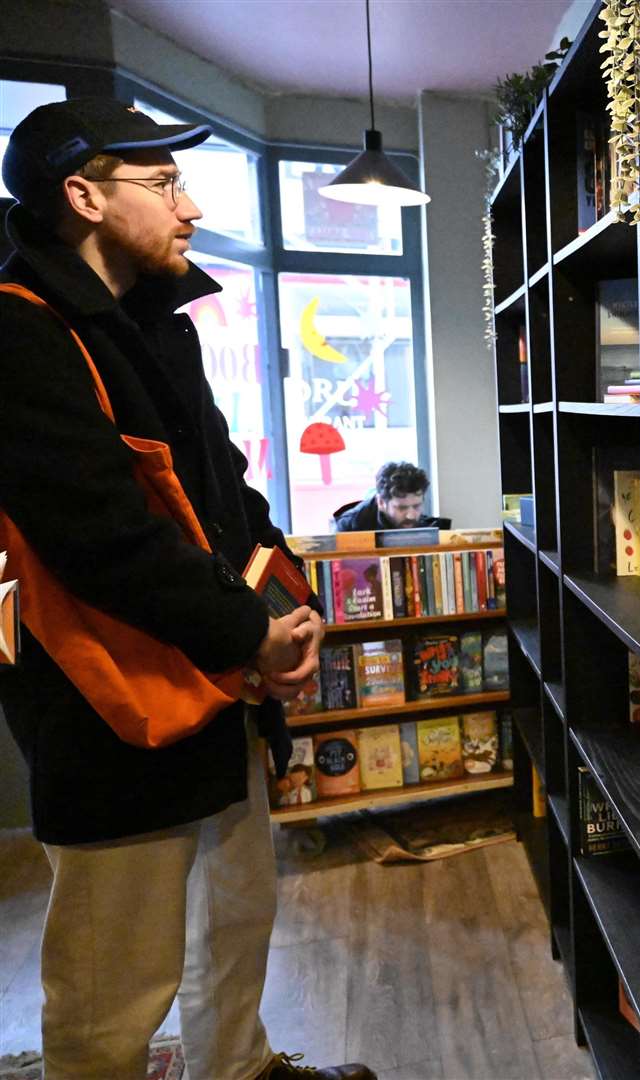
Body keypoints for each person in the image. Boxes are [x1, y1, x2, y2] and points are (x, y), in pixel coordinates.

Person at [0, 99, 374, 1080]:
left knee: (237, 919)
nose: (192, 206)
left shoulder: (154, 323)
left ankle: (238, 1070)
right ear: (82, 195)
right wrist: (251, 636)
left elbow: (223, 484)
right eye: (163, 185)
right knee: (111, 987)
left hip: (212, 689)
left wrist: (283, 611)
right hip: (110, 712)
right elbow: (103, 540)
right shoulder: (18, 335)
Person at [332, 460, 449, 531]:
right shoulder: (349, 528)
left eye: (416, 506)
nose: (411, 515)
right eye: (402, 508)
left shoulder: (429, 528)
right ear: (381, 503)